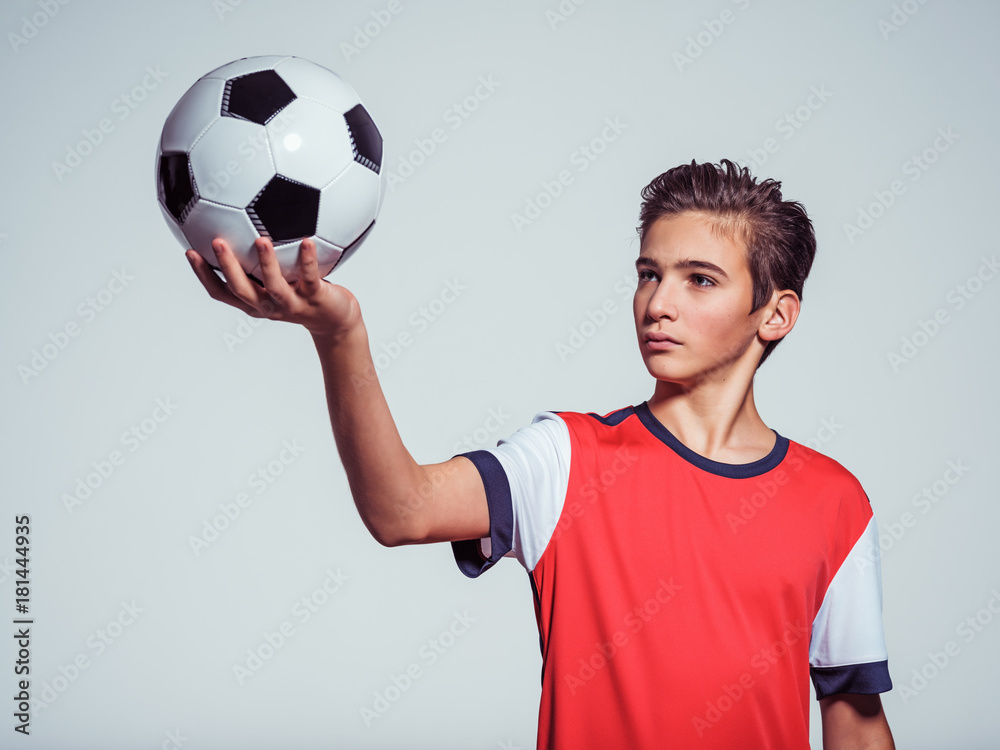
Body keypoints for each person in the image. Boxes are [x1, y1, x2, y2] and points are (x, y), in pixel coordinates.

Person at [186, 159, 894, 749]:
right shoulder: (566, 457)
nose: (657, 304)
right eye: (649, 274)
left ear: (776, 314)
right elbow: (401, 510)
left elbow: (855, 720)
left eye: (698, 280)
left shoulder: (834, 503)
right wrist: (340, 336)